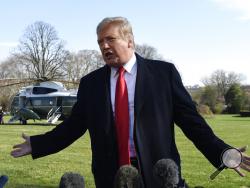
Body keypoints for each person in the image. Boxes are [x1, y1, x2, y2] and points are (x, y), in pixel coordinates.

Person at [11, 17, 250, 188]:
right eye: (100, 42)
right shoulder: (91, 83)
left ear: (130, 41)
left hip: (159, 171)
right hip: (109, 174)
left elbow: (192, 123)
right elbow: (74, 126)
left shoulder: (163, 74)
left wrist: (222, 152)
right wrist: (39, 144)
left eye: (110, 39)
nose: (104, 46)